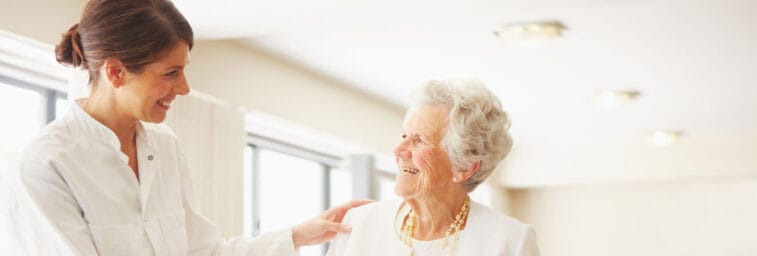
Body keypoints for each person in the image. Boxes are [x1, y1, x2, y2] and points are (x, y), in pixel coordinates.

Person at [4, 0, 370, 255]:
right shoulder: (46, 164)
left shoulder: (163, 146)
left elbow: (205, 252)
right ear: (116, 72)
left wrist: (299, 235)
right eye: (170, 73)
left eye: (184, 68)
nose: (184, 88)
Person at [326, 79, 540, 256]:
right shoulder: (358, 225)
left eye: (418, 140)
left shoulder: (511, 242)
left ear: (464, 167)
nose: (399, 150)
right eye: (404, 136)